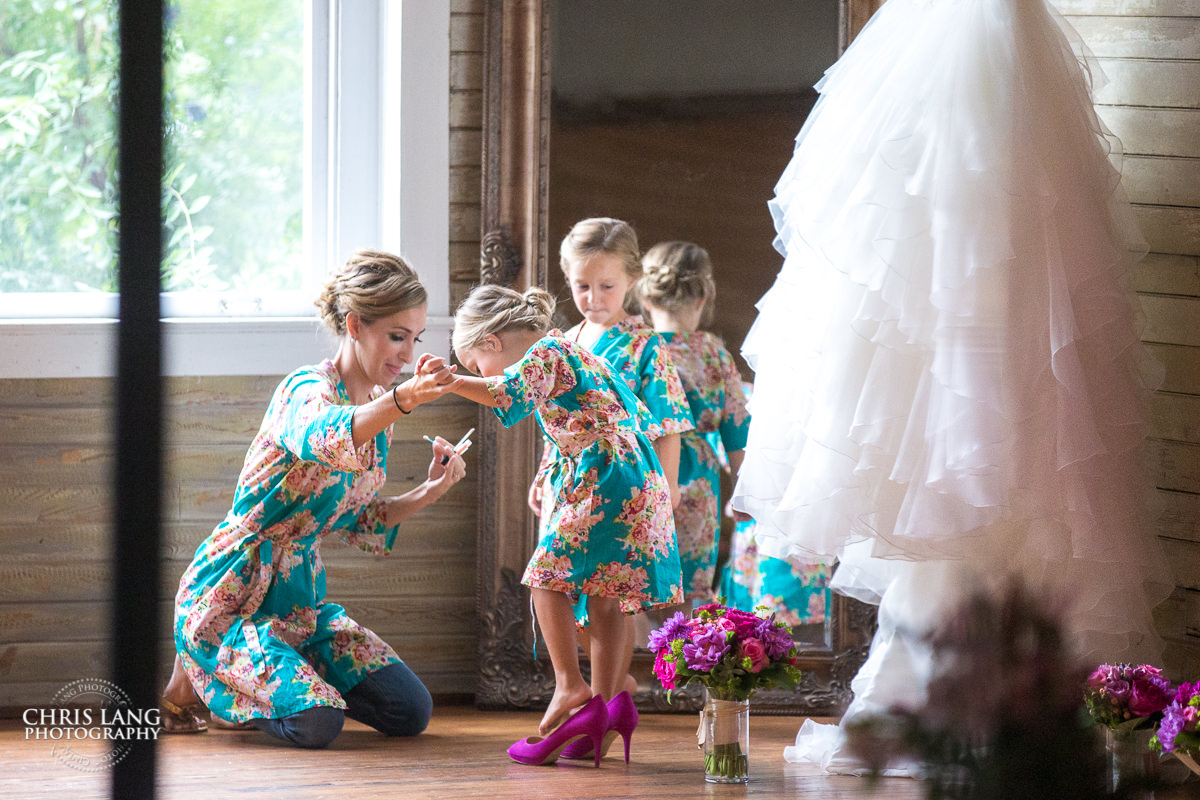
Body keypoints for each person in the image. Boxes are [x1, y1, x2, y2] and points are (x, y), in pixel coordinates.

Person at [730, 0, 1174, 775]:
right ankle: (980, 689)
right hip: (969, 66)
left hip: (995, 68)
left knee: (1018, 397)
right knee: (980, 401)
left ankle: (1016, 692)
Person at [160, 250, 467, 749]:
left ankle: (274, 680)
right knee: (317, 724)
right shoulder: (305, 390)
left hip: (300, 602)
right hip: (230, 596)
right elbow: (326, 433)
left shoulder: (375, 413)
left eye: (415, 339)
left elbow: (360, 518)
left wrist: (430, 490)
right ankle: (212, 680)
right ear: (355, 325)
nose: (408, 356)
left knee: (410, 710)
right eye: (396, 336)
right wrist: (406, 399)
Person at [447, 283, 682, 760]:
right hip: (634, 474)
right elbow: (592, 418)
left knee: (544, 578)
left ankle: (569, 684)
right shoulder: (572, 351)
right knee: (607, 598)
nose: (478, 374)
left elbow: (503, 391)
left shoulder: (547, 349)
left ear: (491, 341)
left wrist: (449, 383)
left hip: (604, 477)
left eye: (474, 363)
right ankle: (606, 704)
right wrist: (548, 473)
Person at [637, 241, 750, 601]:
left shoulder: (632, 347)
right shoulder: (714, 353)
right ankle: (680, 657)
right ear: (703, 297)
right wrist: (745, 494)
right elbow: (736, 429)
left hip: (641, 471)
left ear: (647, 299)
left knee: (633, 582)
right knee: (688, 591)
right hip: (699, 482)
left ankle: (636, 657)